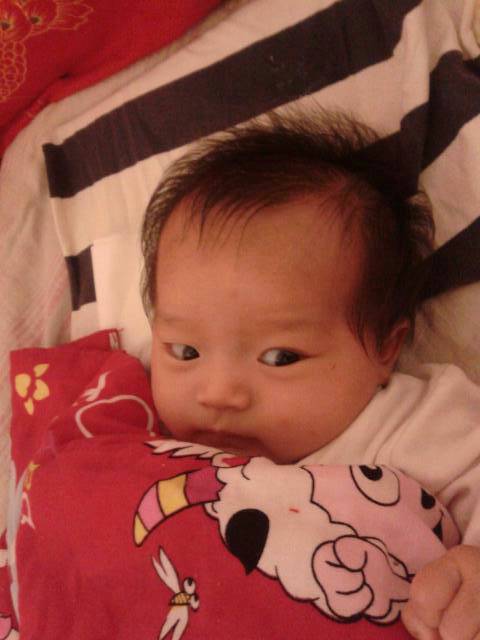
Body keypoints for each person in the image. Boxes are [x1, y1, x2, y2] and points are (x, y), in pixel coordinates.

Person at [141, 109, 480, 640]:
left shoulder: (407, 422)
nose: (218, 393)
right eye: (185, 351)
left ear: (385, 348)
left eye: (280, 357)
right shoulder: (143, 425)